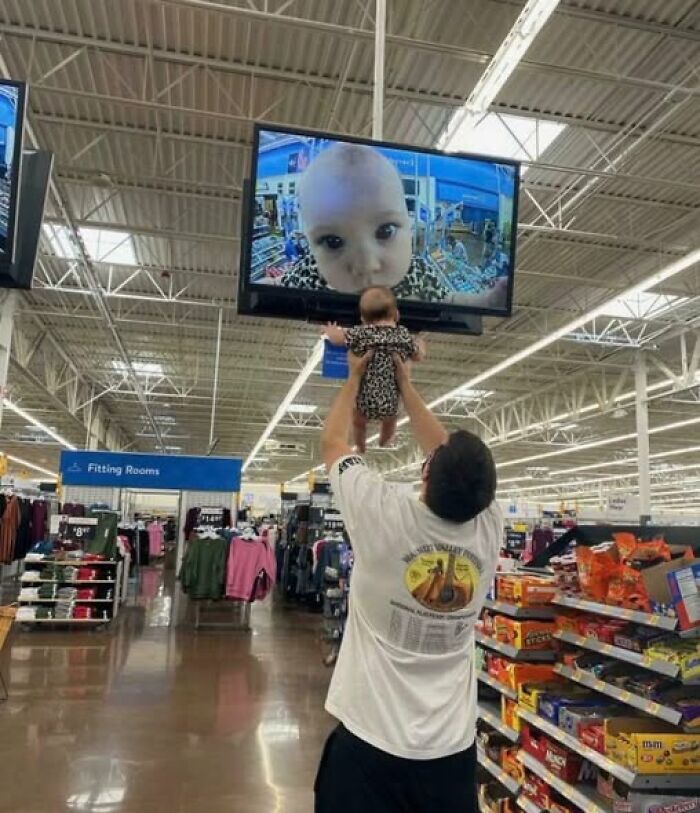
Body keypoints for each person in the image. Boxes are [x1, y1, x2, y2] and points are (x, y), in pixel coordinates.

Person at [314, 349, 503, 812]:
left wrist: (358, 376)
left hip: (367, 745)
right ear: (487, 495)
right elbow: (450, 461)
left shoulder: (382, 514)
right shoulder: (489, 526)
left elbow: (334, 444)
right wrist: (407, 387)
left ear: (425, 473)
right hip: (449, 754)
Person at [323, 286, 426, 452]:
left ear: (363, 319)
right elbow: (418, 356)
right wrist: (420, 344)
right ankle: (385, 439)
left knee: (358, 422)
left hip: (363, 401)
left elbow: (338, 339)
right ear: (397, 315)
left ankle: (360, 445)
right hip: (390, 402)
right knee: (390, 420)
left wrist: (331, 330)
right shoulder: (403, 336)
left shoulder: (360, 334)